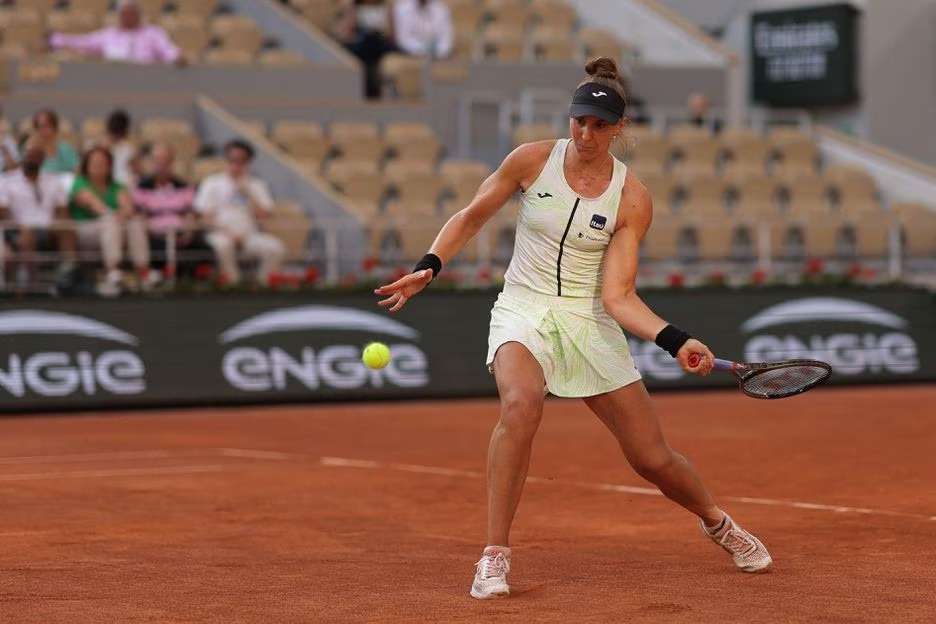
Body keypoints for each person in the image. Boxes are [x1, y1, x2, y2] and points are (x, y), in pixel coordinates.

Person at [374, 57, 772, 599]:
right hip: (524, 306)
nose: (586, 133)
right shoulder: (531, 160)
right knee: (520, 404)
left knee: (651, 458)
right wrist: (430, 265)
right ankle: (494, 555)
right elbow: (470, 216)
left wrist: (675, 340)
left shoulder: (632, 198)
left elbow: (619, 296)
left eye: (599, 125)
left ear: (619, 129)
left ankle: (718, 522)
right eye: (579, 121)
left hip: (588, 317)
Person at [67, 146, 157, 296]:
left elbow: (129, 209)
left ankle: (143, 270)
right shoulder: (79, 184)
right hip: (86, 230)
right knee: (109, 220)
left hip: (115, 229)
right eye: (95, 163)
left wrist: (122, 215)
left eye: (103, 163)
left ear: (110, 166)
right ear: (86, 166)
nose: (99, 167)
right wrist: (119, 215)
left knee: (135, 222)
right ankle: (113, 269)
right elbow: (97, 207)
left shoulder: (118, 186)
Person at [194, 139, 285, 286]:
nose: (236, 165)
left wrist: (248, 194)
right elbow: (204, 216)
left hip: (249, 235)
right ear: (226, 160)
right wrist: (227, 232)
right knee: (223, 245)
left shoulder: (257, 185)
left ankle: (262, 285)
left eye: (241, 161)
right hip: (220, 233)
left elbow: (264, 215)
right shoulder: (211, 183)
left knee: (276, 248)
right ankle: (232, 284)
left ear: (249, 162)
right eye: (232, 160)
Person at [133, 142, 207, 278]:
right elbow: (139, 212)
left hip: (181, 232)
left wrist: (188, 231)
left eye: (165, 160)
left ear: (172, 162)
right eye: (158, 160)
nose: (161, 165)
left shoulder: (183, 185)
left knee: (202, 243)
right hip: (153, 233)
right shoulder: (142, 186)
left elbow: (191, 212)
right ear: (152, 163)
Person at [0, 146, 68, 286]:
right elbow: (3, 212)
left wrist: (59, 223)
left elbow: (62, 210)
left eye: (37, 156)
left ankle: (69, 272)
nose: (32, 160)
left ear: (42, 160)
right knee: (27, 233)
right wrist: (17, 227)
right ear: (23, 157)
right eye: (29, 156)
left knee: (68, 229)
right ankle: (30, 279)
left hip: (48, 228)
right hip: (17, 229)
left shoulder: (53, 181)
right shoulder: (7, 181)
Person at [49, 0, 185, 67]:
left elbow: (168, 50)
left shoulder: (153, 33)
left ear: (138, 14)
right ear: (120, 15)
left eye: (132, 13)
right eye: (125, 14)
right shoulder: (109, 35)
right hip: (113, 81)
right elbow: (83, 42)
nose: (128, 17)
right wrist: (56, 40)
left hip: (147, 81)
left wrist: (176, 57)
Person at [333, 0, 398, 99]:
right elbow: (345, 35)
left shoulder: (387, 7)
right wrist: (350, 11)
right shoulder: (352, 6)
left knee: (375, 40)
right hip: (361, 47)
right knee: (367, 42)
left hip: (379, 45)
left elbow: (391, 35)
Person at [31, 109, 79, 176]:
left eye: (46, 126)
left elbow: (76, 171)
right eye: (39, 127)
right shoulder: (32, 150)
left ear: (55, 127)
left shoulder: (65, 148)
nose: (43, 130)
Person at [102, 109, 138, 187]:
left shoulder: (129, 149)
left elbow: (135, 171)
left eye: (118, 134)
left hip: (124, 183)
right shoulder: (100, 147)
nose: (115, 137)